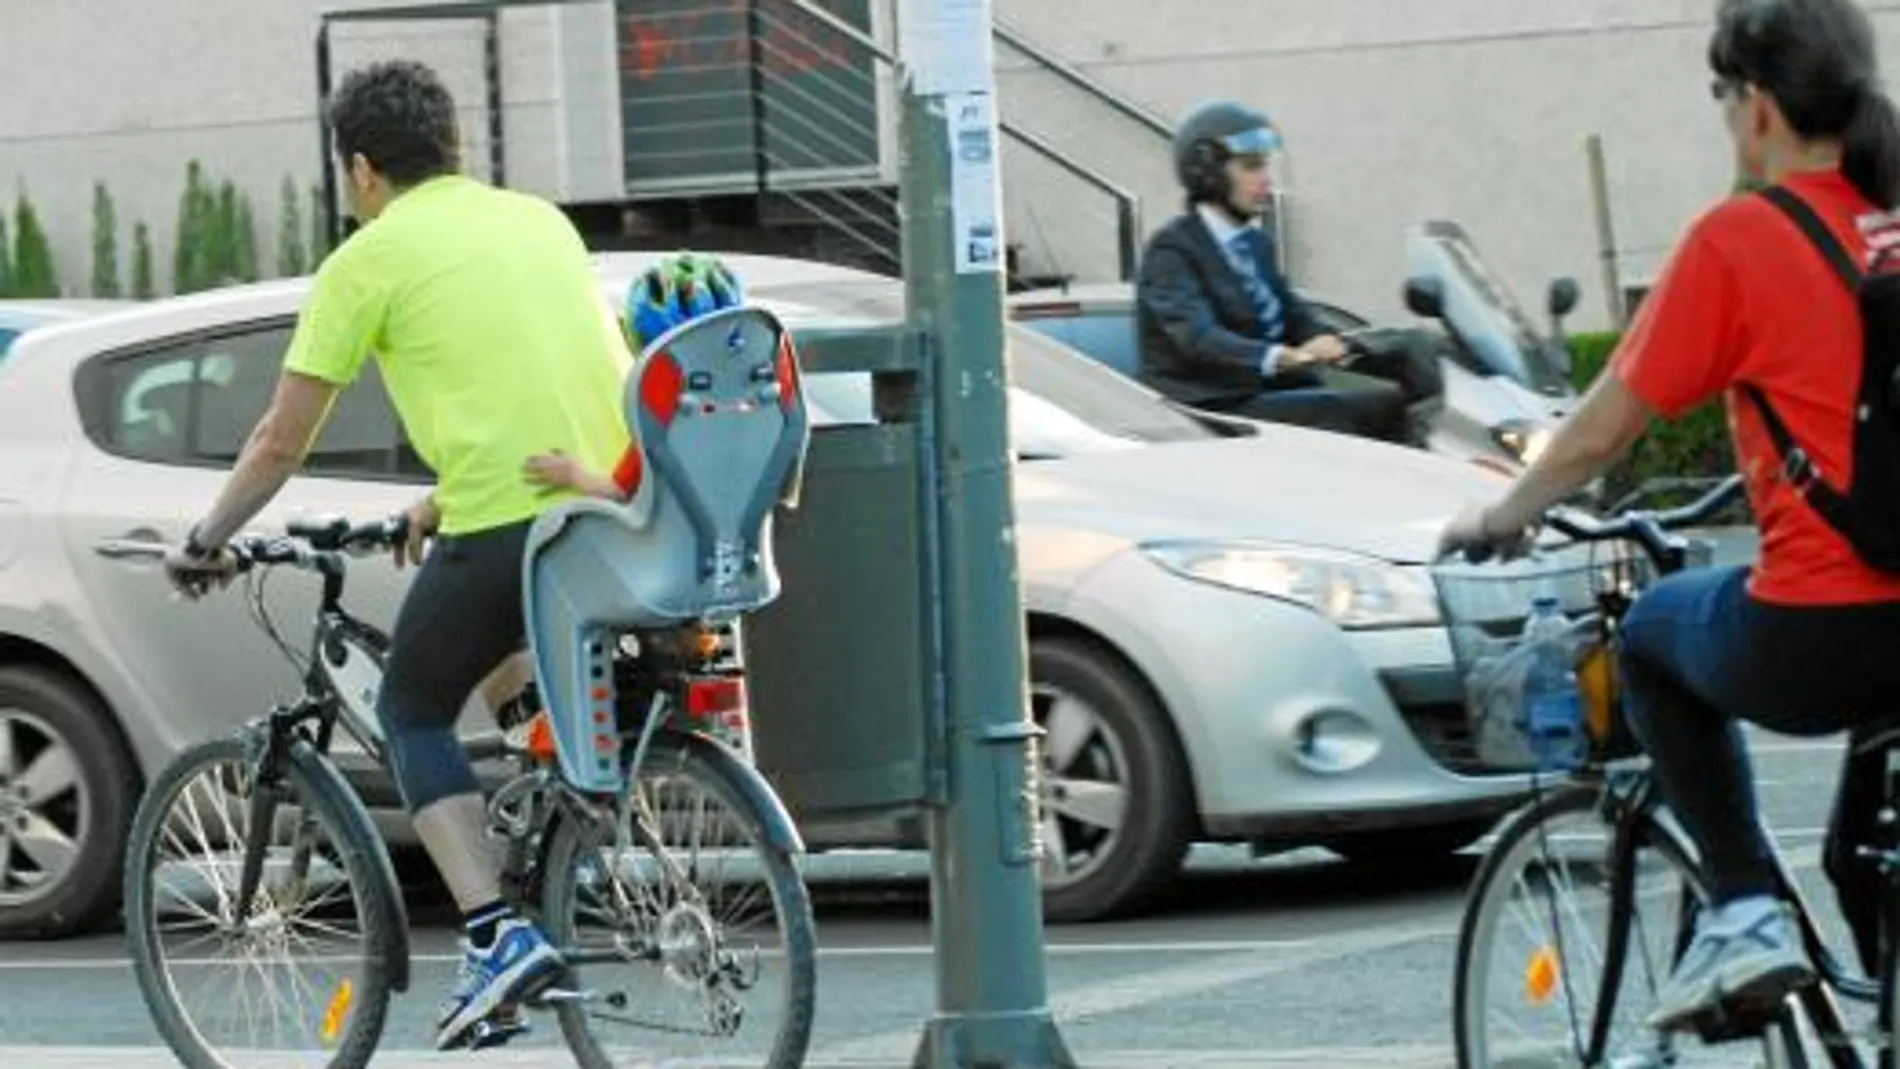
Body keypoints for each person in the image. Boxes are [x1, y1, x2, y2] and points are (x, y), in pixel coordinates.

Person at [1439, 0, 1900, 1033]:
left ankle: (1742, 912)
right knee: (1855, 852)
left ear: (1758, 109)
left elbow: (1605, 429)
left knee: (1649, 637)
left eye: (1723, 96)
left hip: (1821, 631)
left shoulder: (1743, 236)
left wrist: (1504, 511)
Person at [159, 58, 634, 1051]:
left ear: (363, 168)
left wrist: (208, 538)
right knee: (493, 648)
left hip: (508, 521)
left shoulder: (367, 260)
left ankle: (496, 933)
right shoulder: (540, 221)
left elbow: (277, 442)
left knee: (413, 704)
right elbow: (556, 385)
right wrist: (440, 495)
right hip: (602, 516)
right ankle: (565, 851)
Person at [1134, 99, 1411, 442]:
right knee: (1349, 412)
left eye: (1265, 166)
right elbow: (1198, 337)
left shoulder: (1254, 244)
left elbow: (1293, 314)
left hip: (1261, 397)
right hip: (1209, 409)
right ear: (1206, 171)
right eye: (1251, 166)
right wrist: (1284, 356)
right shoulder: (1171, 250)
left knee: (1397, 399)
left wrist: (1345, 342)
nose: (1265, 179)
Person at [522, 251, 747, 503]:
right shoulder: (755, 397)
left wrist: (572, 473)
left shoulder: (664, 395)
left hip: (670, 537)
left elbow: (618, 490)